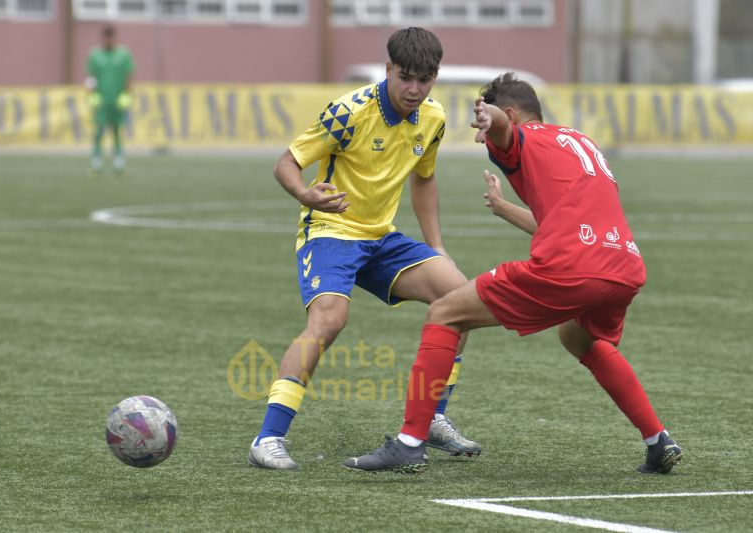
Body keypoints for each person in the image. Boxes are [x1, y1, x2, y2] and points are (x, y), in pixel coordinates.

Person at [344, 72, 684, 475]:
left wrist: (490, 118)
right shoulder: (578, 142)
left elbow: (507, 130)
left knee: (444, 313)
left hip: (570, 266)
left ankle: (410, 442)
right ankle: (657, 439)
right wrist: (505, 209)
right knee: (578, 336)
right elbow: (560, 220)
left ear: (509, 112)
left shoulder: (525, 135)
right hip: (622, 266)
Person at [248, 27, 482, 470]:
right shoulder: (349, 112)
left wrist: (437, 247)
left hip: (380, 237)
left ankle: (431, 418)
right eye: (406, 77)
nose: (415, 89)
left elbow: (425, 179)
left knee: (459, 299)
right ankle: (268, 438)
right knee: (330, 319)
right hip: (331, 229)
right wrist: (305, 194)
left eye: (425, 79)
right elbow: (286, 163)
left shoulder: (432, 118)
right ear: (388, 69)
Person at [85, 25, 135, 174]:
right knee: (99, 129)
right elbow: (90, 77)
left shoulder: (123, 55)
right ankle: (96, 158)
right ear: (103, 38)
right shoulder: (95, 55)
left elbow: (128, 76)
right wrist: (92, 95)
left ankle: (118, 158)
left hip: (117, 99)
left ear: (114, 38)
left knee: (117, 129)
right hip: (101, 99)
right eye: (106, 37)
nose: (108, 40)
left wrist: (126, 95)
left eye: (111, 37)